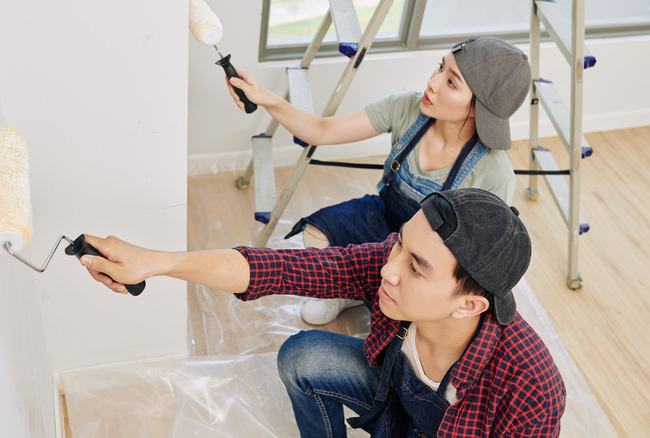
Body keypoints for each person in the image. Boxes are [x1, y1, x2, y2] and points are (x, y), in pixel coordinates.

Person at [74, 188, 566, 437]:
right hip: (394, 400)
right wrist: (157, 263)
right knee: (303, 357)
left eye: (415, 267)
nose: (388, 271)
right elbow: (280, 268)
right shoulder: (387, 268)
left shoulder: (529, 385)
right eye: (398, 246)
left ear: (471, 304)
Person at [226, 36, 532, 325]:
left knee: (398, 313)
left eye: (451, 82)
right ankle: (347, 292)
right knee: (317, 235)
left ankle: (374, 290)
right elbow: (322, 131)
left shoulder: (493, 173)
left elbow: (478, 260)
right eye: (441, 67)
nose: (433, 82)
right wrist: (265, 99)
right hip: (385, 216)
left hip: (424, 255)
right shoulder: (407, 108)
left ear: (479, 108)